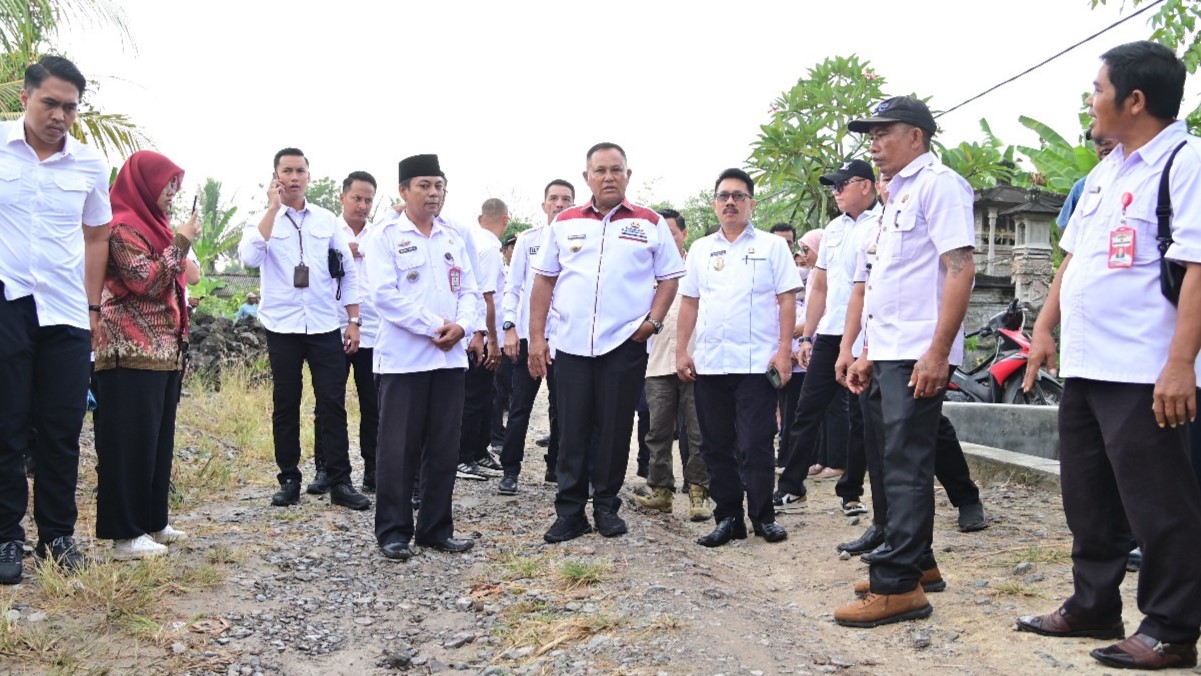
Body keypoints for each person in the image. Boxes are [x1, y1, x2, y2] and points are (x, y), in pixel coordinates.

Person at [1016, 41, 1201, 671]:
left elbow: (1199, 267)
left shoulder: (1185, 160)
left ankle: (1172, 629)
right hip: (1088, 366)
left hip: (1146, 369)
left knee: (1160, 502)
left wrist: (1179, 365)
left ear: (1135, 99)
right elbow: (1075, 259)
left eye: (1097, 89)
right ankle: (1094, 604)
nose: (1090, 101)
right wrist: (1044, 329)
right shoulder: (1105, 170)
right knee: (1088, 496)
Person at [831, 96, 976, 628]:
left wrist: (938, 351)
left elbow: (960, 269)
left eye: (882, 132)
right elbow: (889, 284)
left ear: (915, 136)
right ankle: (917, 564)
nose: (873, 143)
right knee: (894, 459)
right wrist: (868, 350)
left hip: (919, 351)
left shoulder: (941, 185)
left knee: (907, 462)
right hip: (890, 350)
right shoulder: (898, 196)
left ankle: (898, 589)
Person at [529, 142, 685, 543]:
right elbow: (544, 280)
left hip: (624, 344)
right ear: (587, 177)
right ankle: (570, 511)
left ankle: (606, 507)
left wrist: (652, 322)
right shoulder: (564, 222)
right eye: (600, 170)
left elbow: (670, 277)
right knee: (571, 428)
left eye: (616, 169)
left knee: (616, 428)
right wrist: (536, 338)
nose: (608, 177)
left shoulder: (649, 222)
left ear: (628, 175)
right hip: (573, 345)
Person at [0, 56, 113, 580]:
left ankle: (57, 537)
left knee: (62, 427)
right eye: (50, 103)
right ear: (25, 98)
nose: (60, 116)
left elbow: (96, 237)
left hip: (67, 311)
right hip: (9, 303)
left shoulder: (90, 166)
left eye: (70, 107)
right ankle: (6, 538)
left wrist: (92, 308)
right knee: (7, 425)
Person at [237, 148, 369, 511]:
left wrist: (353, 321)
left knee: (332, 403)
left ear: (309, 176)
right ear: (276, 177)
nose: (294, 178)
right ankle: (289, 478)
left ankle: (340, 480)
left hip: (325, 323)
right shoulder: (263, 221)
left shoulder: (326, 220)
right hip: (282, 326)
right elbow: (249, 258)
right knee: (286, 403)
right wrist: (272, 207)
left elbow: (347, 272)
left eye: (300, 171)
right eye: (287, 171)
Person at [364, 153, 480, 561]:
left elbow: (470, 290)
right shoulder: (384, 236)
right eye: (424, 186)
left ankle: (435, 528)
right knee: (398, 449)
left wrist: (463, 326)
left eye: (439, 186)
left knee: (444, 447)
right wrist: (436, 327)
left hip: (449, 361)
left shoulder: (453, 236)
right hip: (405, 360)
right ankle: (394, 531)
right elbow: (383, 296)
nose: (433, 194)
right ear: (403, 190)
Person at [677, 168, 799, 547]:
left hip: (756, 364)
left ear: (751, 203)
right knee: (715, 445)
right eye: (724, 196)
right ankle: (728, 516)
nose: (730, 202)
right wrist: (683, 350)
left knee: (755, 442)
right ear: (715, 203)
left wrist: (784, 351)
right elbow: (690, 303)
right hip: (711, 363)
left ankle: (763, 516)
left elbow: (786, 300)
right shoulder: (700, 249)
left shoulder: (771, 247)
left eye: (738, 196)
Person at [93, 151, 196, 560]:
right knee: (128, 443)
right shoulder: (121, 226)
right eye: (166, 185)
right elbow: (147, 282)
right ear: (143, 184)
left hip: (162, 352)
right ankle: (125, 534)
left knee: (157, 440)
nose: (172, 194)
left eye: (175, 186)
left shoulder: (156, 227)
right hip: (127, 351)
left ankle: (153, 519)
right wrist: (183, 240)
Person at [775, 160, 879, 516]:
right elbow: (818, 285)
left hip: (868, 337)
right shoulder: (832, 229)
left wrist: (853, 346)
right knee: (807, 409)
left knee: (860, 416)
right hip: (830, 333)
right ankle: (791, 487)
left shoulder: (881, 225)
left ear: (865, 186)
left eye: (841, 185)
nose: (835, 193)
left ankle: (851, 492)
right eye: (832, 187)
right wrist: (807, 338)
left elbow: (864, 291)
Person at [630, 209, 711, 521]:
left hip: (696, 362)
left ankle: (699, 493)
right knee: (657, 431)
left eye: (672, 232)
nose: (666, 238)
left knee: (697, 431)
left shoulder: (699, 265)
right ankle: (661, 491)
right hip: (657, 363)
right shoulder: (642, 268)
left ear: (683, 234)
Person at [497, 179, 574, 494]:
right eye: (553, 198)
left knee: (564, 408)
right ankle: (510, 470)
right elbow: (512, 289)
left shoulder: (580, 242)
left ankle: (555, 467)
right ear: (544, 205)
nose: (559, 204)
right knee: (520, 408)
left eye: (566, 199)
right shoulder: (529, 241)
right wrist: (510, 327)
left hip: (566, 340)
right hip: (531, 337)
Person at [310, 172, 381, 494]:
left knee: (374, 403)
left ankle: (374, 468)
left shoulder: (381, 235)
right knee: (329, 401)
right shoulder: (325, 231)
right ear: (342, 197)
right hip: (332, 327)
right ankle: (326, 468)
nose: (362, 205)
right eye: (356, 198)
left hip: (374, 330)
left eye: (368, 200)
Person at [456, 198, 507, 482]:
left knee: (486, 395)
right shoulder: (487, 248)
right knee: (474, 397)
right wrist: (490, 339)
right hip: (482, 335)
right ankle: (462, 456)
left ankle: (478, 450)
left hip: (484, 333)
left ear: (480, 218)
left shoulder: (480, 243)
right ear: (505, 219)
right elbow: (487, 297)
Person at [1056, 129, 1117, 229]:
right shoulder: (1082, 186)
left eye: (1109, 134)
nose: (1103, 142)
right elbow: (1065, 228)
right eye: (1097, 139)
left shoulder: (1142, 178)